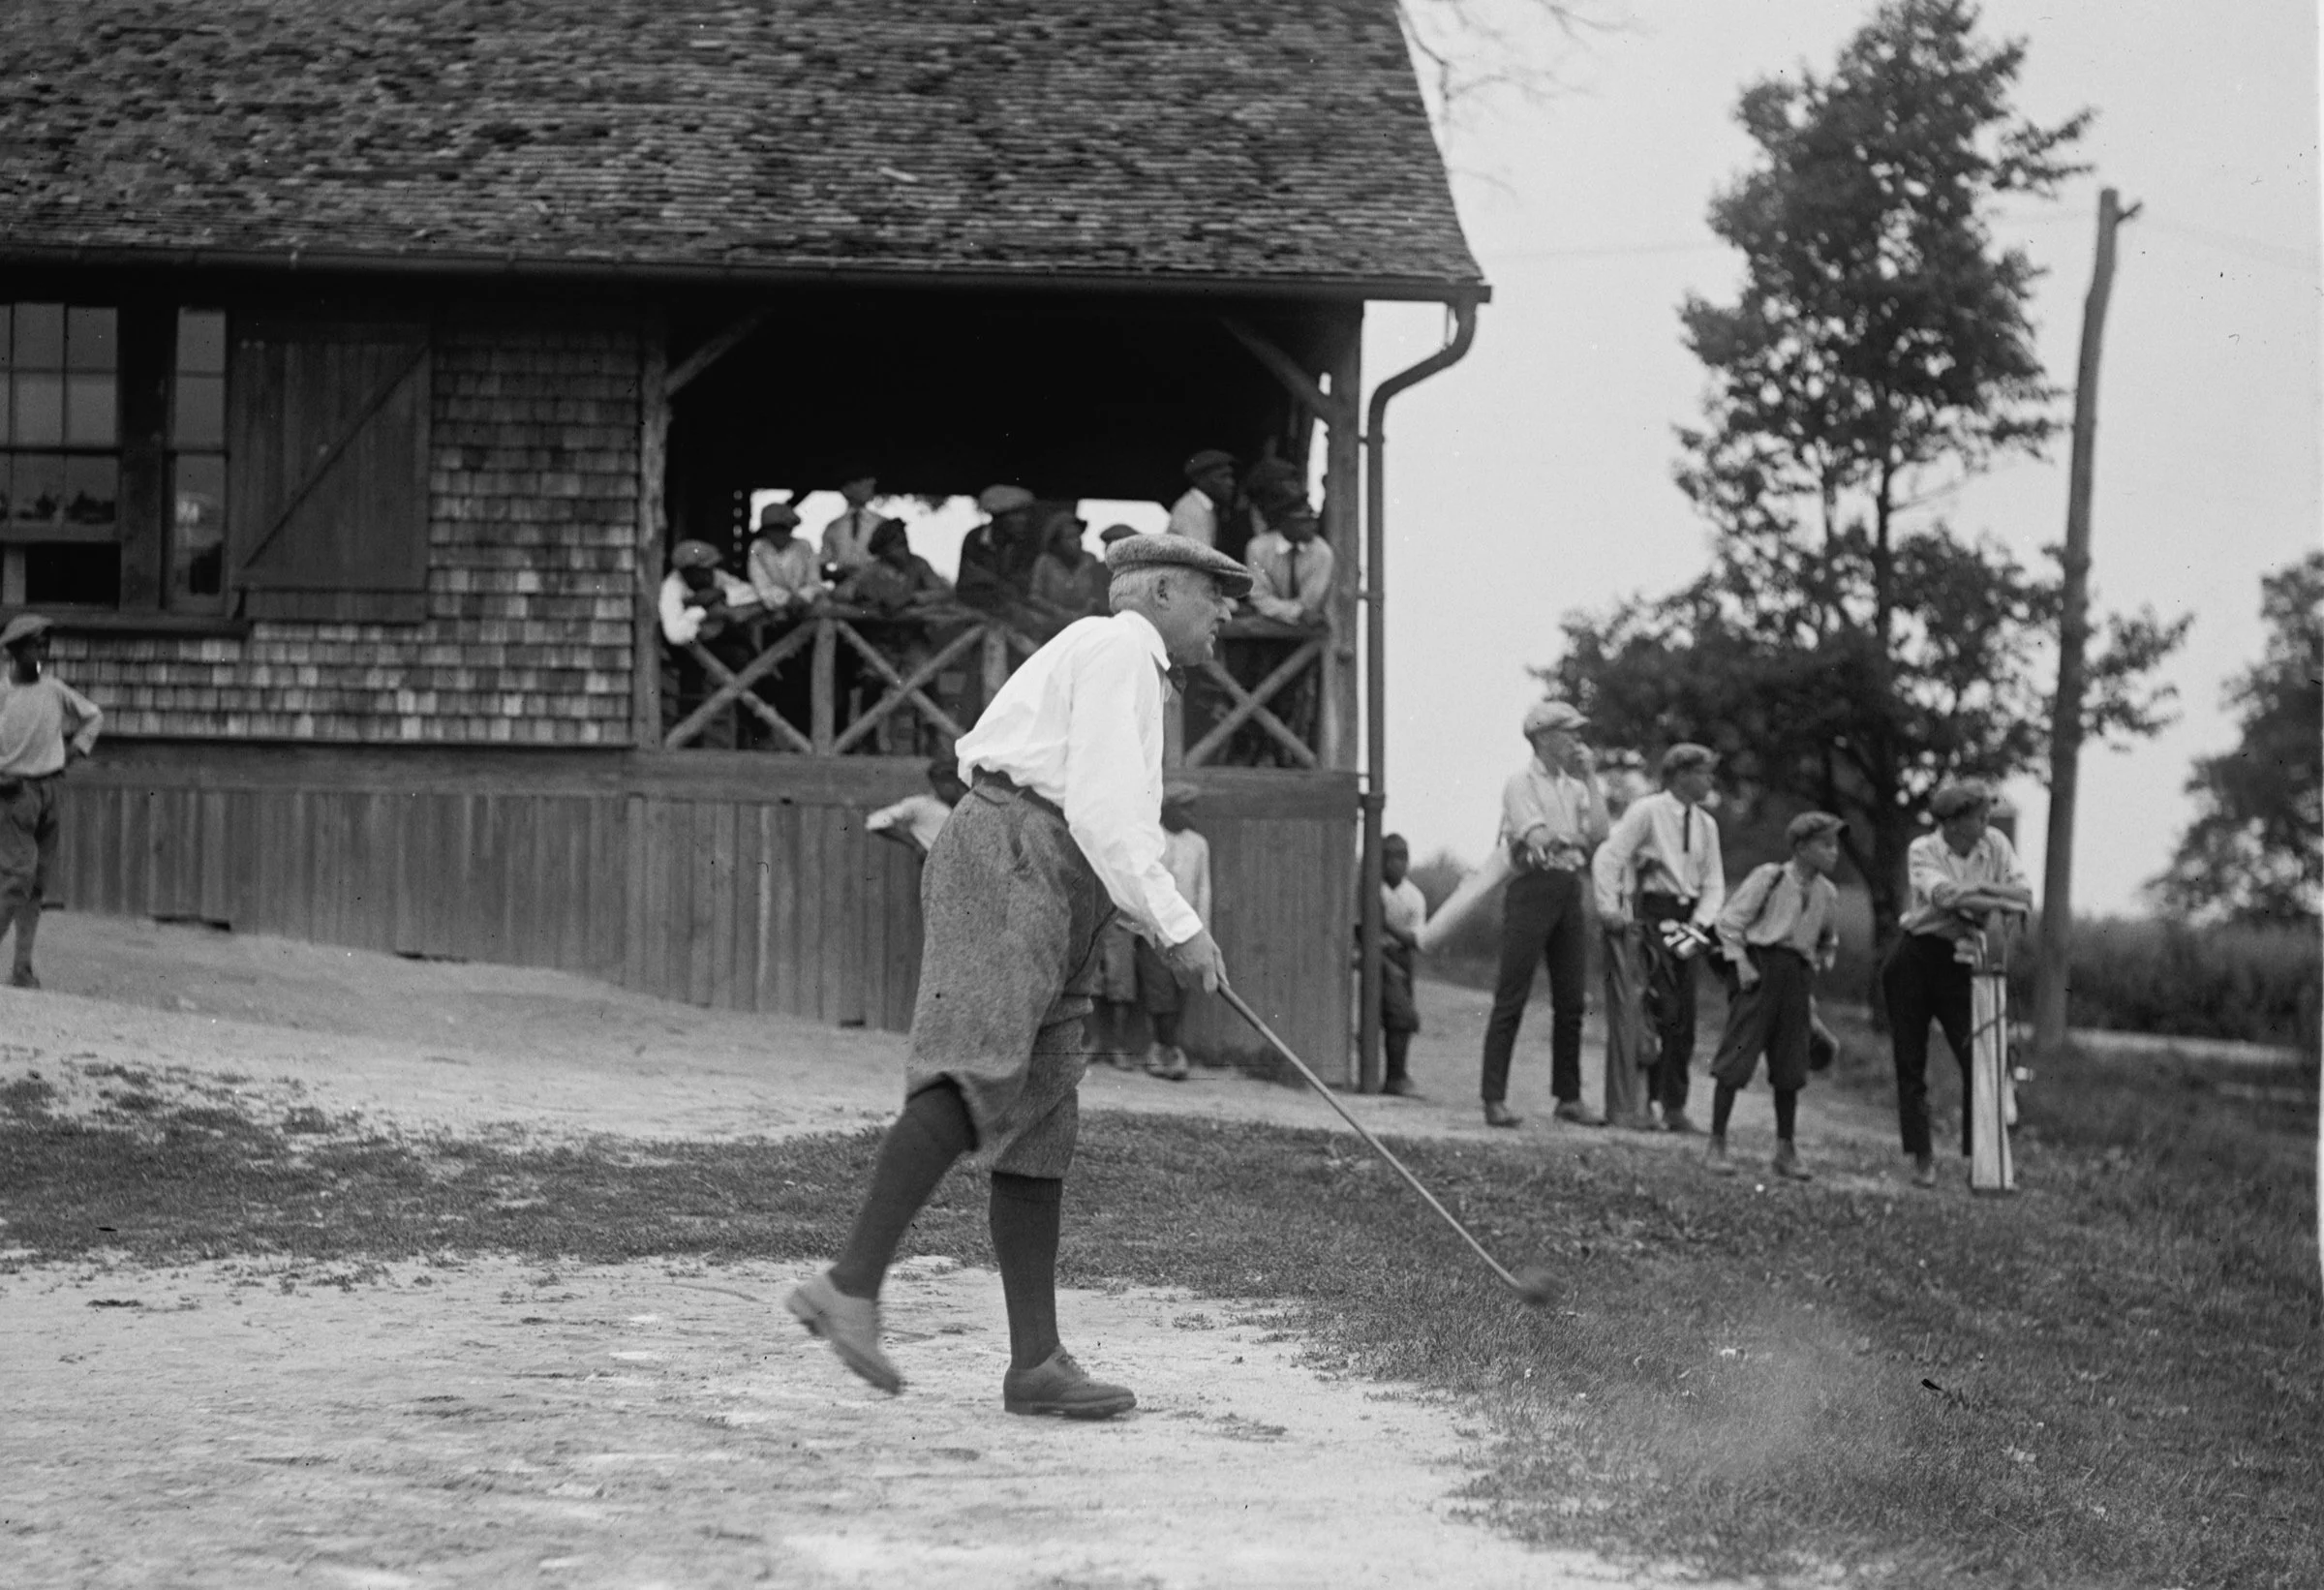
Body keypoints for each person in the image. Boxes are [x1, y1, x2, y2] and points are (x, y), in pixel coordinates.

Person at [784, 532, 1245, 1421]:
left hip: (1061, 873)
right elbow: (1104, 811)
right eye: (1211, 592)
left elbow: (1111, 825)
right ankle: (849, 1285)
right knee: (978, 1068)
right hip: (1017, 851)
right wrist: (1180, 926)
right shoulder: (1119, 648)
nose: (1225, 610)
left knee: (1039, 1112)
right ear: (1158, 593)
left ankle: (1036, 1363)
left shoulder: (1133, 666)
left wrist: (1153, 919)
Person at [1882, 780, 2034, 1189]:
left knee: (1980, 1057)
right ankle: (1922, 1157)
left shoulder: (1996, 845)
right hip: (1915, 956)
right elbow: (1947, 898)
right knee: (1910, 1060)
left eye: (1987, 816)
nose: (1986, 825)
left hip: (1960, 959)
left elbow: (2024, 895)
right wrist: (1997, 899)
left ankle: (1980, 1160)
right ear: (1952, 822)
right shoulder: (1923, 850)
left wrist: (1983, 889)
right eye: (1979, 818)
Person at [1478, 700, 1610, 1129]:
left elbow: (1600, 835)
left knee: (1571, 999)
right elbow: (1538, 839)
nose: (1576, 741)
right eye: (1568, 732)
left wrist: (1591, 779)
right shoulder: (1520, 783)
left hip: (1568, 888)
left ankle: (1568, 1097)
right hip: (1531, 887)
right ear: (1544, 737)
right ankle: (1493, 1097)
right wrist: (1569, 840)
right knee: (1512, 994)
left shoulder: (1576, 788)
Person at [1593, 743, 1728, 1133]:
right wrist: (1608, 907)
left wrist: (1699, 925)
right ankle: (1644, 1101)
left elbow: (1714, 882)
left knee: (1684, 1016)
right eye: (1703, 772)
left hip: (1689, 920)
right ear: (1681, 775)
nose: (1710, 781)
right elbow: (1609, 856)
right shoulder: (1648, 810)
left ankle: (1675, 1106)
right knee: (1657, 1009)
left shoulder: (1706, 824)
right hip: (1653, 915)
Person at [1703, 811, 1846, 1180]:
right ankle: (1716, 1143)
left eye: (1835, 845)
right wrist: (1740, 962)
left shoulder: (1827, 893)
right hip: (1760, 969)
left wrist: (1817, 964)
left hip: (1796, 977)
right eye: (1825, 845)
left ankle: (1785, 1150)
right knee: (1737, 1056)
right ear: (1801, 847)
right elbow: (1728, 922)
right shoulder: (1770, 878)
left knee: (1791, 1064)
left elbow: (1827, 939)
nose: (1834, 852)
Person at [0, 615, 101, 990]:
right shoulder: (3, 694)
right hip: (15, 795)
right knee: (17, 877)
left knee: (37, 882)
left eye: (45, 645)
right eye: (34, 646)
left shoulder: (54, 689)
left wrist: (74, 751)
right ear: (14, 651)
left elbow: (93, 717)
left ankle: (22, 969)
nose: (42, 652)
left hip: (51, 791)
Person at [1590, 752, 1656, 1130]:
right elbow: (1605, 867)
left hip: (1639, 931)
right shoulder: (1613, 849)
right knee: (1625, 1016)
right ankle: (1621, 1107)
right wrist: (1609, 910)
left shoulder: (1637, 855)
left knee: (1643, 1018)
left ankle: (1639, 1104)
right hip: (1622, 932)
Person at [1138, 782, 1213, 1081]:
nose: (1190, 816)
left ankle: (1168, 1049)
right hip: (1155, 929)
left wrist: (1202, 930)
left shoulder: (1198, 844)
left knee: (1180, 988)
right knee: (1159, 991)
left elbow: (1203, 888)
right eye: (1184, 809)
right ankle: (1163, 1049)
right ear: (1167, 808)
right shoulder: (1152, 838)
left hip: (1186, 931)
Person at [658, 539, 764, 749]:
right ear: (688, 573)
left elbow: (752, 591)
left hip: (714, 641)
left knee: (747, 661)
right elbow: (675, 634)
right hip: (686, 650)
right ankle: (688, 744)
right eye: (703, 570)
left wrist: (722, 593)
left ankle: (753, 732)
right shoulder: (672, 588)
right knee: (691, 689)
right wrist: (703, 612)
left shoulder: (716, 578)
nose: (710, 574)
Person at [745, 503, 825, 733]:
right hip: (772, 622)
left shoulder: (804, 547)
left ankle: (803, 731)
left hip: (803, 619)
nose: (779, 534)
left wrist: (802, 597)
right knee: (772, 674)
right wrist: (784, 600)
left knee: (804, 676)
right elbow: (761, 585)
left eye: (784, 529)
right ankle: (770, 732)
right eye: (774, 529)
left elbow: (814, 582)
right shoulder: (758, 549)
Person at [1377, 833, 1427, 1097]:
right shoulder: (1372, 889)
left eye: (1402, 857)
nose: (1397, 864)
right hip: (1375, 955)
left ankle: (1397, 1074)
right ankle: (1393, 1077)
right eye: (1391, 857)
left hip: (1401, 956)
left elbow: (1417, 939)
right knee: (1395, 1013)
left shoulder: (1414, 896)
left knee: (1403, 1017)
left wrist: (1385, 925)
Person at [956, 484, 1042, 617]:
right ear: (998, 517)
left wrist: (992, 581)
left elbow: (1024, 588)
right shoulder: (975, 539)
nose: (1023, 519)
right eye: (1015, 514)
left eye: (1024, 514)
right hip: (976, 612)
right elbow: (968, 582)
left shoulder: (1027, 544)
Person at [1027, 510, 1112, 637]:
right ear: (1056, 542)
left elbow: (1097, 594)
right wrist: (1061, 614)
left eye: (1078, 536)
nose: (1077, 541)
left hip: (1085, 629)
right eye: (1070, 537)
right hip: (1050, 631)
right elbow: (1035, 597)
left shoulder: (1090, 560)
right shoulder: (1044, 562)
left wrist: (1083, 614)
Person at [867, 758, 968, 859]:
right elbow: (875, 821)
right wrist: (915, 844)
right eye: (941, 782)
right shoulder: (921, 805)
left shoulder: (970, 805)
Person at [1166, 449, 1238, 549]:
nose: (1231, 483)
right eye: (1222, 476)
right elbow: (1201, 555)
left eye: (1231, 476)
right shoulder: (1192, 510)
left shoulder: (1206, 507)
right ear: (1200, 480)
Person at [820, 474, 883, 577]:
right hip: (843, 583)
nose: (868, 487)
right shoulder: (833, 527)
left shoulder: (881, 523)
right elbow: (824, 561)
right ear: (846, 489)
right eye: (860, 483)